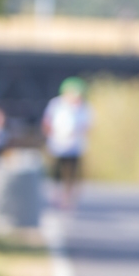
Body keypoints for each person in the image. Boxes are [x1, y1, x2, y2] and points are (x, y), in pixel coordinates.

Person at [42, 77, 93, 209]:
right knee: (56, 172)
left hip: (75, 146)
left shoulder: (84, 107)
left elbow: (87, 126)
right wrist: (52, 135)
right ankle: (55, 195)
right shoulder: (56, 104)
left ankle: (67, 198)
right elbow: (47, 123)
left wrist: (76, 133)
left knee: (72, 173)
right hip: (57, 145)